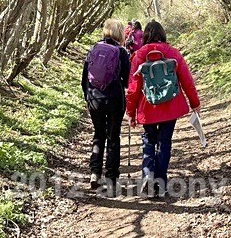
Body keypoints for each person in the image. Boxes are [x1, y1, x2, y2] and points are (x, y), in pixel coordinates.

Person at [126, 20, 200, 197]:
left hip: (147, 108)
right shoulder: (173, 53)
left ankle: (147, 177)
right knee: (164, 142)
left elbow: (133, 88)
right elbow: (187, 80)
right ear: (163, 34)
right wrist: (194, 103)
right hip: (170, 106)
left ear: (145, 36)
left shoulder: (138, 56)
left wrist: (130, 113)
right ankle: (161, 182)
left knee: (149, 142)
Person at [81, 18, 130, 195]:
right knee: (113, 137)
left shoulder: (93, 49)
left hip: (94, 99)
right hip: (115, 99)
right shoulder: (121, 52)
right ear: (119, 33)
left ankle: (94, 173)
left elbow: (84, 78)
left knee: (98, 134)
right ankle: (111, 179)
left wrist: (88, 97)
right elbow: (127, 79)